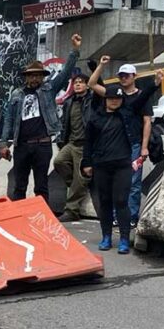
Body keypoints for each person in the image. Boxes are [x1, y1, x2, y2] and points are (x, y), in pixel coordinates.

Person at [0, 33, 82, 202]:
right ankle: (19, 218)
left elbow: (65, 74)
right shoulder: (16, 94)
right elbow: (9, 119)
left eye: (38, 75)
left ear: (42, 77)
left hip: (42, 145)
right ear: (26, 76)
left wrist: (74, 50)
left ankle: (42, 218)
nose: (35, 78)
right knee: (19, 185)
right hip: (21, 145)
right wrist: (3, 144)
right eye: (31, 75)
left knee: (41, 185)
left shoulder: (48, 90)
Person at [88, 57, 164, 227]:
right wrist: (101, 65)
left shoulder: (139, 98)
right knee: (115, 183)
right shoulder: (115, 94)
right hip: (115, 146)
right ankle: (116, 216)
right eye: (121, 76)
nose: (123, 78)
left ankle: (131, 217)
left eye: (127, 76)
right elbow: (92, 84)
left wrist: (144, 148)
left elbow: (146, 122)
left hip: (134, 144)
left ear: (134, 76)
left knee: (133, 182)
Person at [81, 87, 136, 254]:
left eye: (118, 98)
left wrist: (155, 84)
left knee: (121, 201)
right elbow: (88, 142)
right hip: (101, 164)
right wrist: (87, 163)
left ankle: (124, 239)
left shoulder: (126, 116)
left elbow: (142, 99)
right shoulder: (95, 119)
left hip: (123, 165)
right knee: (104, 202)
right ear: (105, 99)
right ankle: (106, 237)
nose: (114, 101)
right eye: (111, 98)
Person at [53, 73, 95, 222]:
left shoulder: (92, 100)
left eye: (81, 82)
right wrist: (61, 141)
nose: (78, 85)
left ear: (87, 85)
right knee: (59, 162)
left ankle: (72, 210)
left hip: (85, 144)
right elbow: (64, 123)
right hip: (70, 142)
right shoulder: (69, 102)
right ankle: (78, 185)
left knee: (80, 176)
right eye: (76, 82)